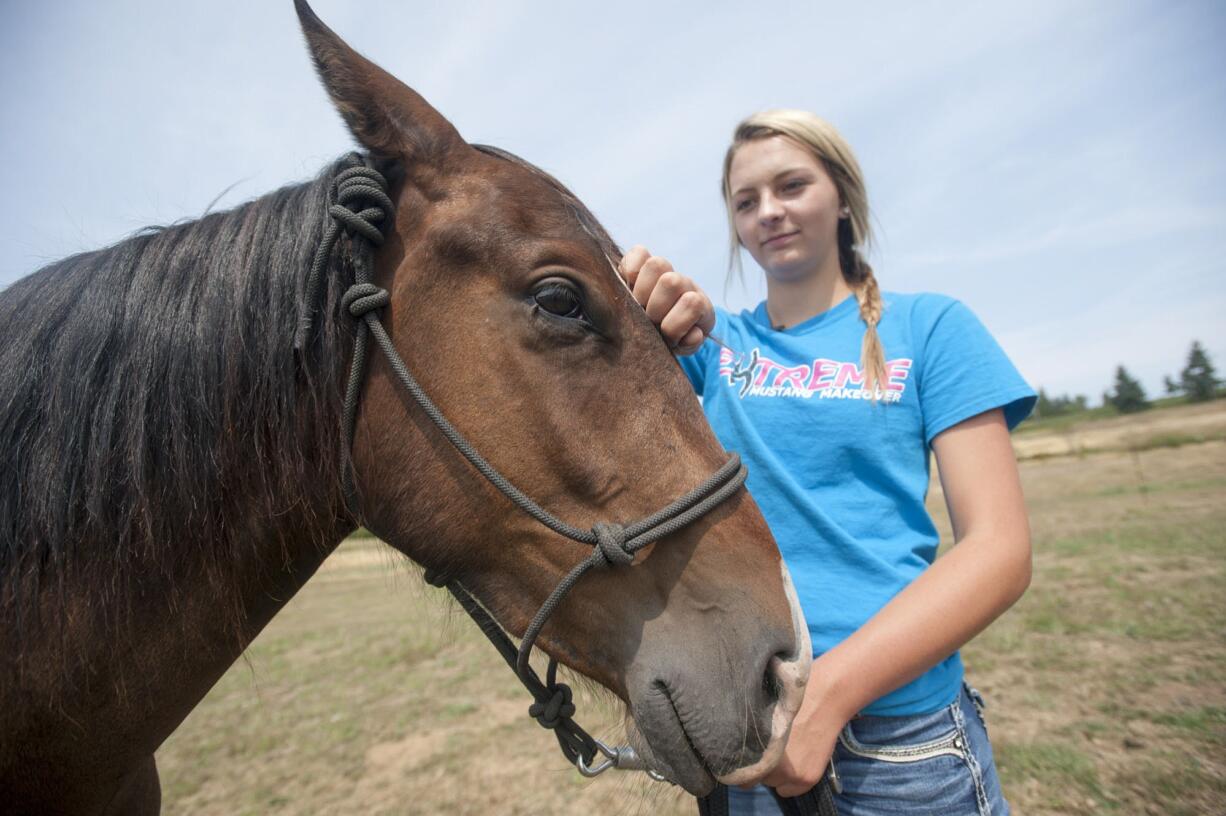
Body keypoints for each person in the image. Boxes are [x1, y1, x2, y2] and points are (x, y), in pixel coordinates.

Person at [619, 110, 1034, 815]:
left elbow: (1000, 551)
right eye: (745, 201)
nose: (768, 212)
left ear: (842, 195)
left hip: (901, 745)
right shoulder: (712, 350)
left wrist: (828, 696)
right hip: (749, 728)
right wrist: (636, 311)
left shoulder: (931, 327)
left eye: (791, 186)